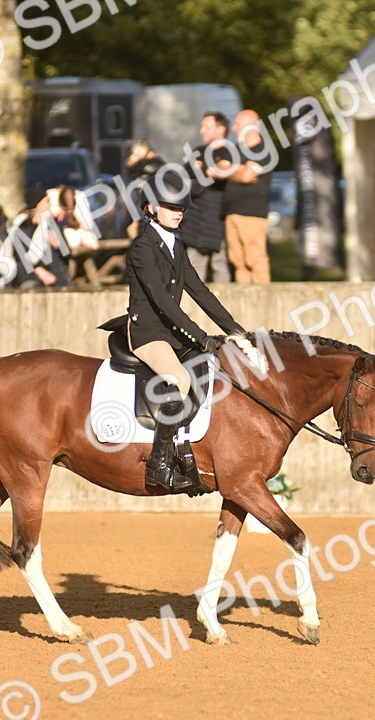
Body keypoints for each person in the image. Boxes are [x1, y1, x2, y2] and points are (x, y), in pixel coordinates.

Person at [115, 175, 251, 493]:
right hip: (148, 332)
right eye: (170, 206)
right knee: (179, 381)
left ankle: (186, 451)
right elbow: (162, 300)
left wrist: (235, 330)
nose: (179, 212)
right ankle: (158, 466)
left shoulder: (176, 244)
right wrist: (202, 336)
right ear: (150, 207)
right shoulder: (142, 248)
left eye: (181, 208)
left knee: (212, 368)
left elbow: (199, 291)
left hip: (172, 333)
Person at [180, 111, 235, 283]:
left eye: (206, 126)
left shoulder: (230, 152)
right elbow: (185, 173)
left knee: (220, 263)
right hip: (195, 219)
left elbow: (223, 171)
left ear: (221, 129)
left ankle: (223, 305)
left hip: (220, 217)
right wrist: (206, 170)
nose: (202, 130)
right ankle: (193, 307)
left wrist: (202, 169)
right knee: (194, 264)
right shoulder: (199, 151)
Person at [221, 109, 274, 284]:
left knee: (255, 259)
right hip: (231, 212)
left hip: (252, 213)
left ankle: (262, 300)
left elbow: (246, 176)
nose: (234, 128)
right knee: (238, 262)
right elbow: (219, 167)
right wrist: (239, 169)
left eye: (238, 124)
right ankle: (243, 303)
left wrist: (232, 169)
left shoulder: (264, 150)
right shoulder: (234, 150)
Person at [8, 190, 70, 288]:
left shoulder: (52, 223)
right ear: (37, 204)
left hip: (56, 274)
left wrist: (58, 244)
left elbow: (66, 253)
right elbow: (21, 256)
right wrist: (39, 271)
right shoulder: (22, 226)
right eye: (46, 201)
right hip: (29, 275)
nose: (50, 204)